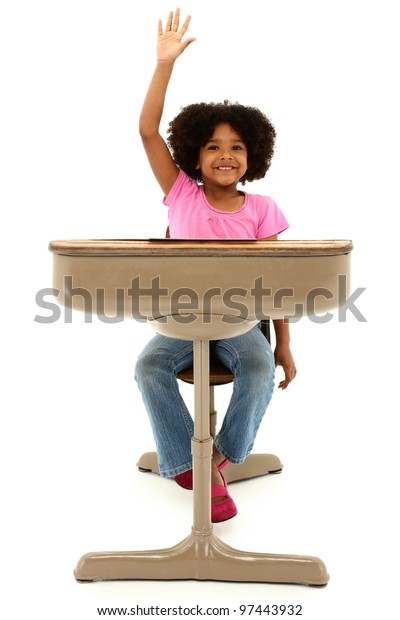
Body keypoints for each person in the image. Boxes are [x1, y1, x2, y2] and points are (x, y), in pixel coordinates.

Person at [135, 9, 297, 523]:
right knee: (147, 366)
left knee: (257, 370)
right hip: (181, 320)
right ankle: (188, 464)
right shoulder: (181, 191)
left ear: (253, 155)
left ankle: (219, 460)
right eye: (212, 146)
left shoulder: (262, 209)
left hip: (240, 322)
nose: (225, 155)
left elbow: (277, 286)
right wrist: (164, 65)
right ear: (194, 155)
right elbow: (145, 131)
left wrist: (286, 346)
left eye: (236, 147)